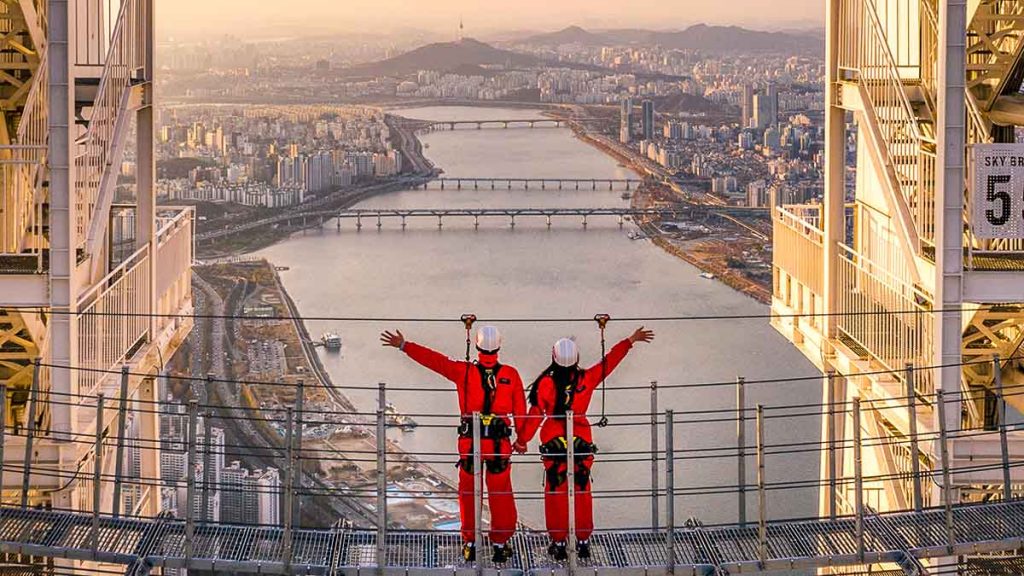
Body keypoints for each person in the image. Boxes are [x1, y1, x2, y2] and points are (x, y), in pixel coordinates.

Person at [380, 326, 527, 563]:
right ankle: (500, 544)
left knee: (468, 494)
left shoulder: (464, 371)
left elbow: (436, 361)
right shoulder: (511, 374)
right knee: (501, 494)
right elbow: (521, 412)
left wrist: (405, 345)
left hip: (470, 444)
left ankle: (470, 542)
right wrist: (522, 440)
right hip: (499, 446)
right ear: (498, 346)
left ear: (477, 347)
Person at [517, 326, 655, 560]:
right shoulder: (586, 379)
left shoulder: (546, 384)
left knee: (555, 491)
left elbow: (535, 416)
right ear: (577, 359)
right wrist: (629, 340)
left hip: (554, 444)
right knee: (582, 489)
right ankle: (582, 540)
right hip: (581, 441)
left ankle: (559, 541)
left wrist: (521, 441)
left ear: (554, 357)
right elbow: (608, 363)